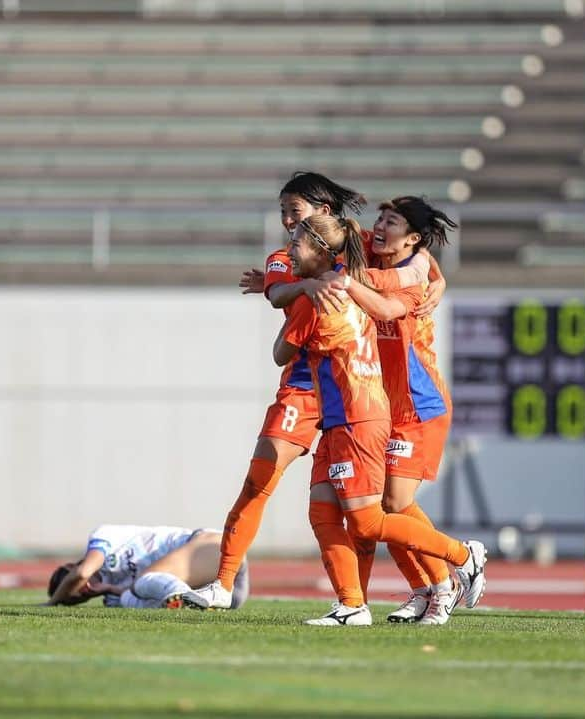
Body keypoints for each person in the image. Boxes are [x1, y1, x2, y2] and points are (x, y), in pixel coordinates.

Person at [268, 214, 486, 626]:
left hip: (368, 414)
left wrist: (298, 293)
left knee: (374, 516)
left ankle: (459, 558)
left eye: (295, 240)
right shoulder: (350, 280)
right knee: (325, 512)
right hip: (345, 415)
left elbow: (281, 352)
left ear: (320, 248)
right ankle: (354, 604)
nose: (288, 247)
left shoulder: (323, 294)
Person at [181, 172, 367, 612]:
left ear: (323, 213)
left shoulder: (358, 260)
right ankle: (223, 583)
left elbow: (404, 268)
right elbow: (278, 292)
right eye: (283, 211)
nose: (287, 221)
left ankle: (444, 572)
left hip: (355, 392)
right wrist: (305, 286)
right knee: (259, 482)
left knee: (373, 509)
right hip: (304, 391)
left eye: (294, 211)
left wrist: (430, 279)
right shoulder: (286, 258)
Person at [322, 196, 464, 625]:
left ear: (414, 239)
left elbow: (387, 303)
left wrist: (346, 281)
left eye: (393, 221)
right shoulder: (380, 255)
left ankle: (448, 578)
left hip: (419, 407)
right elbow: (334, 240)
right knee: (380, 509)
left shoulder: (412, 277)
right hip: (383, 406)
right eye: (381, 217)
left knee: (395, 501)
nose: (380, 226)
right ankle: (423, 589)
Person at [46, 524, 249, 610]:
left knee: (145, 579)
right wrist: (111, 590)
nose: (84, 590)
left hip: (214, 548)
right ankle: (192, 601)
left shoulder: (101, 536)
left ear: (72, 568)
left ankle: (185, 599)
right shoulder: (113, 598)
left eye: (75, 585)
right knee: (128, 598)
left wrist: (52, 603)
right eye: (80, 597)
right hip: (231, 594)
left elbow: (83, 572)